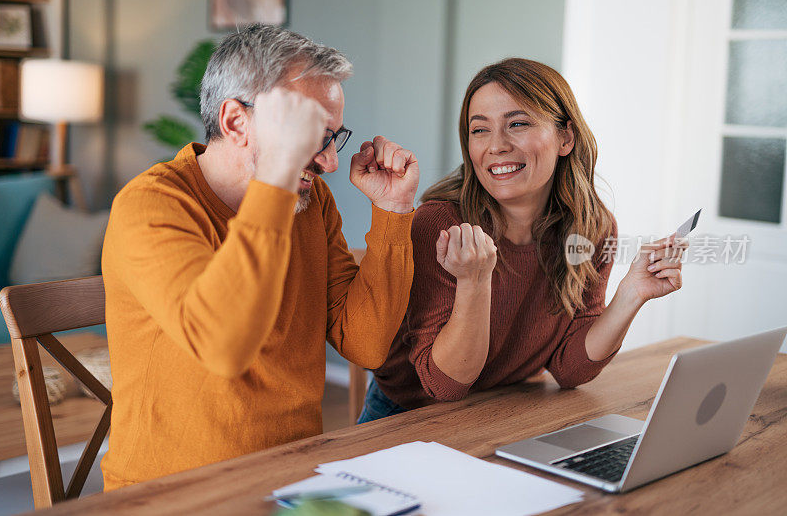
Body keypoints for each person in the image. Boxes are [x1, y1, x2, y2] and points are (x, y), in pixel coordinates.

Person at [100, 24, 420, 490]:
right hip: (173, 497)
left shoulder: (310, 205)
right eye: (310, 133)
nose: (331, 162)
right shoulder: (151, 205)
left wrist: (392, 212)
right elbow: (224, 347)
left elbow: (365, 345)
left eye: (334, 136)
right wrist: (276, 177)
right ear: (235, 122)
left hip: (292, 484)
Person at [360, 58, 686, 422]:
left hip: (503, 406)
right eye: (479, 130)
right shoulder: (440, 224)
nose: (496, 146)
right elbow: (444, 386)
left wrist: (631, 294)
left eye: (517, 124)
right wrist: (475, 281)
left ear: (566, 137)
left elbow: (570, 369)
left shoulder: (592, 227)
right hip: (407, 416)